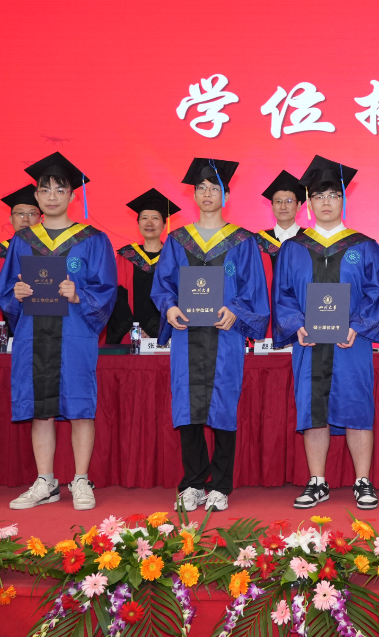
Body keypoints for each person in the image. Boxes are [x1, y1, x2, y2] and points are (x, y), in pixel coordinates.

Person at [0, 152, 117, 511]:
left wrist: (79, 294)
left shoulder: (93, 239)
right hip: (34, 334)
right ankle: (45, 481)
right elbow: (4, 289)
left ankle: (81, 479)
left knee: (79, 406)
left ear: (72, 196)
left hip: (75, 334)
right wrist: (16, 293)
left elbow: (107, 289)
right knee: (40, 408)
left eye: (59, 190)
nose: (52, 196)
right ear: (36, 196)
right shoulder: (22, 240)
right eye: (45, 190)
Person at [272, 155, 379, 511]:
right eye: (319, 196)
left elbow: (376, 293)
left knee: (357, 406)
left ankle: (362, 480)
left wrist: (357, 326)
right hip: (309, 342)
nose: (326, 202)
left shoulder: (364, 246)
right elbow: (283, 294)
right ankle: (317, 480)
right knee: (312, 409)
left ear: (343, 200)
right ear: (309, 204)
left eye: (333, 196)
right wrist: (296, 324)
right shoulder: (293, 248)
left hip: (352, 342)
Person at [151, 159, 269, 512]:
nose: (207, 194)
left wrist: (236, 310)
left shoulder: (242, 241)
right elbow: (163, 285)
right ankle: (192, 482)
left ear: (226, 195)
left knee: (222, 406)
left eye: (214, 188)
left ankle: (220, 484)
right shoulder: (177, 240)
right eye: (201, 188)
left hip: (225, 336)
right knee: (187, 408)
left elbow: (253, 289)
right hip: (186, 335)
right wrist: (169, 308)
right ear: (194, 195)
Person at [106, 189, 181, 343]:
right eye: (144, 218)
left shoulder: (174, 258)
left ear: (164, 224)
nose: (149, 223)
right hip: (131, 333)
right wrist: (134, 328)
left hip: (166, 332)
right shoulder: (126, 256)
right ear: (138, 223)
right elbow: (116, 294)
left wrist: (155, 329)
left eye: (155, 218)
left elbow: (179, 295)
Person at [0, 185, 41, 345]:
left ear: (41, 219)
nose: (25, 219)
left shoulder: (48, 251)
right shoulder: (0, 251)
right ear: (11, 219)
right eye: (20, 213)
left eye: (32, 213)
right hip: (5, 318)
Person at [257, 170, 306, 342]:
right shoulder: (257, 242)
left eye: (289, 201)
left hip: (303, 317)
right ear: (271, 206)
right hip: (267, 314)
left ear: (299, 206)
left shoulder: (311, 241)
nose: (283, 206)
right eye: (278, 201)